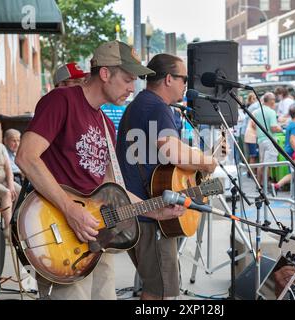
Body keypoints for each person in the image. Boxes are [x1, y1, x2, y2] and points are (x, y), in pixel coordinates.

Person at [16, 40, 183, 300]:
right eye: (128, 79)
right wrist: (70, 210)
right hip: (59, 233)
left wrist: (156, 211)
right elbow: (26, 157)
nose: (132, 88)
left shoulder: (106, 122)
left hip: (96, 239)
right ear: (105, 74)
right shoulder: (62, 100)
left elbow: (112, 187)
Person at [116, 53, 217, 300]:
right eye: (183, 79)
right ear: (169, 79)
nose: (186, 85)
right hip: (152, 215)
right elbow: (173, 152)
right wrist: (208, 162)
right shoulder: (158, 107)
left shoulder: (138, 105)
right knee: (161, 293)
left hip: (136, 211)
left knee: (154, 287)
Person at [254, 92, 283, 184]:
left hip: (260, 139)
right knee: (268, 164)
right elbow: (273, 128)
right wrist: (280, 129)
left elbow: (254, 125)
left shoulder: (257, 111)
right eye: (274, 99)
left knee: (261, 163)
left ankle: (259, 184)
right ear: (271, 101)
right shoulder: (271, 112)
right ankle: (266, 185)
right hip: (269, 140)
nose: (275, 101)